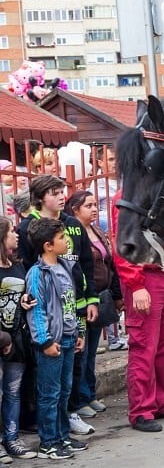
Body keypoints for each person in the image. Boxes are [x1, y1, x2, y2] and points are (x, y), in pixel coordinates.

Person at [16, 175, 98, 436]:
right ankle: (47, 432)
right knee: (46, 378)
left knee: (71, 369)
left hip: (72, 309)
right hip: (46, 315)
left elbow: (85, 263)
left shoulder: (72, 224)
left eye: (62, 191)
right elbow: (27, 270)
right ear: (40, 197)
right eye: (54, 192)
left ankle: (68, 417)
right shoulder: (28, 228)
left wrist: (90, 299)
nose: (62, 196)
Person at [110, 190, 164, 432]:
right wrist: (136, 285)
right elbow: (124, 242)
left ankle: (157, 402)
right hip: (146, 277)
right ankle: (141, 411)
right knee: (145, 346)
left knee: (162, 347)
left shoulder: (160, 192)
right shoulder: (128, 196)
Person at [25, 218, 87, 460]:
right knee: (49, 394)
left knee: (63, 391)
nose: (66, 241)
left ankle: (62, 435)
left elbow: (69, 306)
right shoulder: (37, 273)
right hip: (52, 343)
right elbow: (36, 310)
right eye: (61, 238)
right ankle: (48, 442)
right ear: (48, 245)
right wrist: (45, 341)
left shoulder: (64, 266)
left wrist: (78, 332)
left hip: (69, 338)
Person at [64, 190, 121, 418]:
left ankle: (90, 394)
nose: (95, 209)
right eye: (89, 205)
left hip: (102, 296)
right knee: (83, 351)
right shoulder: (74, 232)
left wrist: (116, 294)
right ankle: (80, 398)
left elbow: (110, 261)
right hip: (86, 297)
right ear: (75, 209)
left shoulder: (97, 229)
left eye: (95, 204)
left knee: (93, 351)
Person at [0, 218, 37, 461]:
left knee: (13, 392)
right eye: (12, 231)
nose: (16, 234)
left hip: (16, 339)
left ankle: (12, 439)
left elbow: (22, 295)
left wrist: (25, 301)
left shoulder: (17, 265)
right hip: (2, 338)